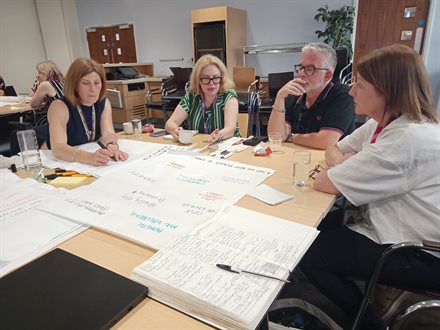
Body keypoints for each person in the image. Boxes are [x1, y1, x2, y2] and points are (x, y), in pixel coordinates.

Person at [297, 44, 440, 329]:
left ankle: (369, 324)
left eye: (359, 85)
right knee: (320, 226)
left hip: (420, 252)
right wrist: (347, 165)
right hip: (398, 228)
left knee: (309, 252)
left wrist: (344, 168)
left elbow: (325, 181)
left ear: (387, 91)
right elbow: (336, 147)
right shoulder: (388, 123)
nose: (351, 92)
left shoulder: (405, 139)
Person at [267, 42, 355, 150]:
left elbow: (326, 141)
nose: (301, 74)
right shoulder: (295, 94)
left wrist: (291, 136)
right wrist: (279, 98)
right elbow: (277, 137)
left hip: (330, 162)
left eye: (310, 69)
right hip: (298, 158)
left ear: (327, 75)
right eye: (301, 67)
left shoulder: (342, 95)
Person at [47, 58, 128, 166]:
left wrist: (112, 146)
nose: (93, 89)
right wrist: (89, 157)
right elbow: (58, 148)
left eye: (97, 82)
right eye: (86, 83)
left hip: (84, 152)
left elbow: (108, 132)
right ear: (74, 85)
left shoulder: (104, 103)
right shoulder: (59, 107)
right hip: (53, 158)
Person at [165, 54, 239, 144]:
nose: (211, 83)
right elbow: (170, 123)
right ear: (198, 80)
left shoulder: (229, 96)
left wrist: (217, 135)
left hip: (227, 146)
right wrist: (176, 130)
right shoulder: (192, 96)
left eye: (215, 78)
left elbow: (230, 129)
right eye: (205, 78)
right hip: (199, 145)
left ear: (221, 78)